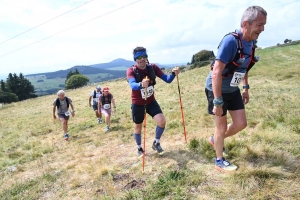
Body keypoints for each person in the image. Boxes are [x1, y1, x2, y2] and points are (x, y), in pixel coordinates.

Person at [205, 6, 267, 172]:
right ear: (246, 23)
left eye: (264, 25)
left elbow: (243, 67)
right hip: (216, 89)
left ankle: (215, 140)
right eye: (259, 25)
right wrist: (217, 101)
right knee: (221, 127)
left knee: (241, 123)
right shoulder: (231, 41)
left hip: (233, 89)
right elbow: (216, 71)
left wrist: (245, 87)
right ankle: (219, 160)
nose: (262, 29)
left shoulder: (251, 43)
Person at [126, 46, 180, 157]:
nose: (142, 59)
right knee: (138, 128)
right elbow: (132, 84)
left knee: (162, 121)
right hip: (138, 103)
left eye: (144, 56)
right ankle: (139, 148)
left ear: (147, 57)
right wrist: (141, 84)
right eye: (139, 57)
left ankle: (156, 142)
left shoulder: (153, 67)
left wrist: (174, 74)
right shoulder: (131, 70)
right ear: (135, 59)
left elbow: (167, 79)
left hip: (151, 101)